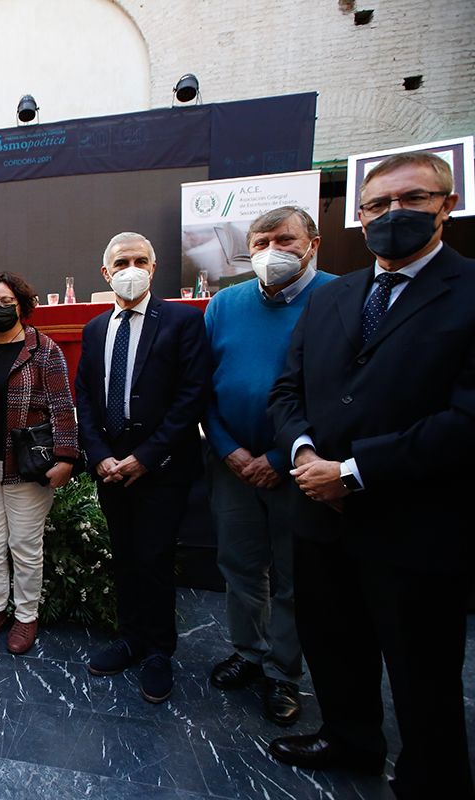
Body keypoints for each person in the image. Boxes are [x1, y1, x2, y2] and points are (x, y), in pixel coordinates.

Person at [268, 151, 475, 797]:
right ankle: (350, 739)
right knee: (334, 646)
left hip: (415, 526)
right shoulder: (337, 296)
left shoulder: (468, 291)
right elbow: (286, 391)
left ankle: (432, 777)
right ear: (360, 217)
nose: (394, 215)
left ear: (446, 203)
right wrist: (304, 457)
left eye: (411, 199)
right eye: (379, 205)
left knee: (423, 672)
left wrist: (354, 471)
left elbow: (467, 419)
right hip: (320, 518)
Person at [202, 207, 334, 725]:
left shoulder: (337, 297)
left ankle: (284, 674)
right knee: (239, 567)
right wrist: (227, 448)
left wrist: (282, 456)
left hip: (302, 467)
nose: (272, 251)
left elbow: (342, 392)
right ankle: (248, 653)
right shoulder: (225, 303)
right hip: (230, 462)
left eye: (285, 240)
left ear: (312, 243)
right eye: (260, 242)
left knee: (292, 577)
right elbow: (202, 387)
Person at [75, 233, 210, 704]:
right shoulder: (95, 329)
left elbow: (191, 396)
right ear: (105, 273)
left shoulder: (182, 321)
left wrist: (145, 457)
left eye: (140, 261)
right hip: (111, 468)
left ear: (153, 268)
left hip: (161, 467)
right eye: (121, 262)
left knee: (154, 559)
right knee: (125, 556)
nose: (130, 268)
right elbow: (85, 400)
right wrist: (99, 456)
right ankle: (130, 637)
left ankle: (158, 650)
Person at [0, 273, 77, 655]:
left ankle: (26, 615)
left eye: (6, 301)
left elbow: (62, 406)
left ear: (21, 303)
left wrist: (66, 458)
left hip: (25, 467)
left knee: (24, 546)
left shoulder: (43, 349)